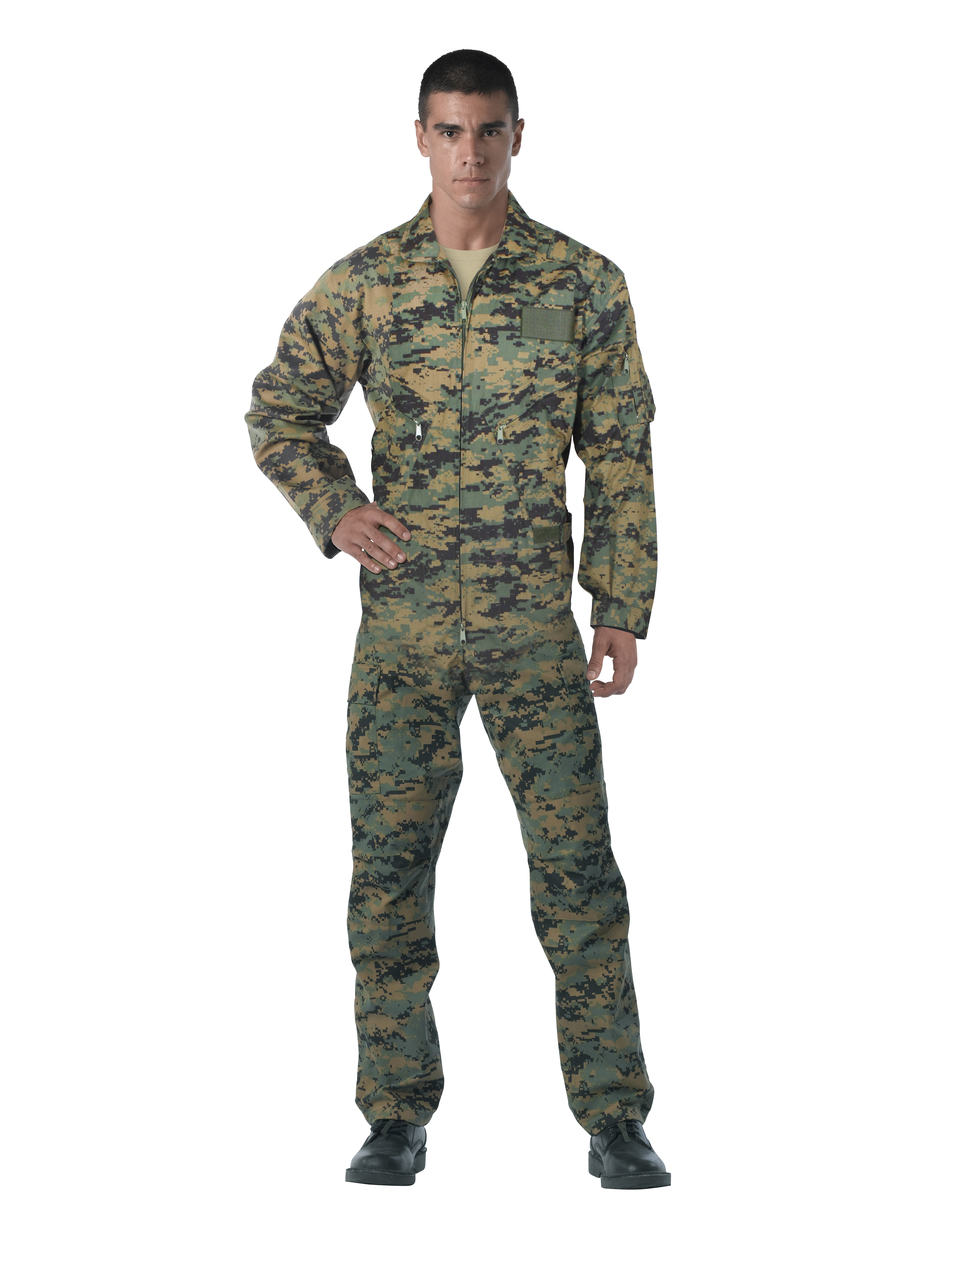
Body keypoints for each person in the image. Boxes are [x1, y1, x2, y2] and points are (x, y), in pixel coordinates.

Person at [245, 48, 670, 1191]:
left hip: (533, 624)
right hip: (407, 626)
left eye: (488, 130)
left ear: (518, 136)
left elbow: (619, 450)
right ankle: (394, 1113)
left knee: (578, 873)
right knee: (388, 872)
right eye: (449, 130)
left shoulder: (581, 283)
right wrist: (335, 509)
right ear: (420, 138)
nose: (469, 152)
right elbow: (279, 409)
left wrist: (619, 602)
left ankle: (615, 1116)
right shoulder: (370, 283)